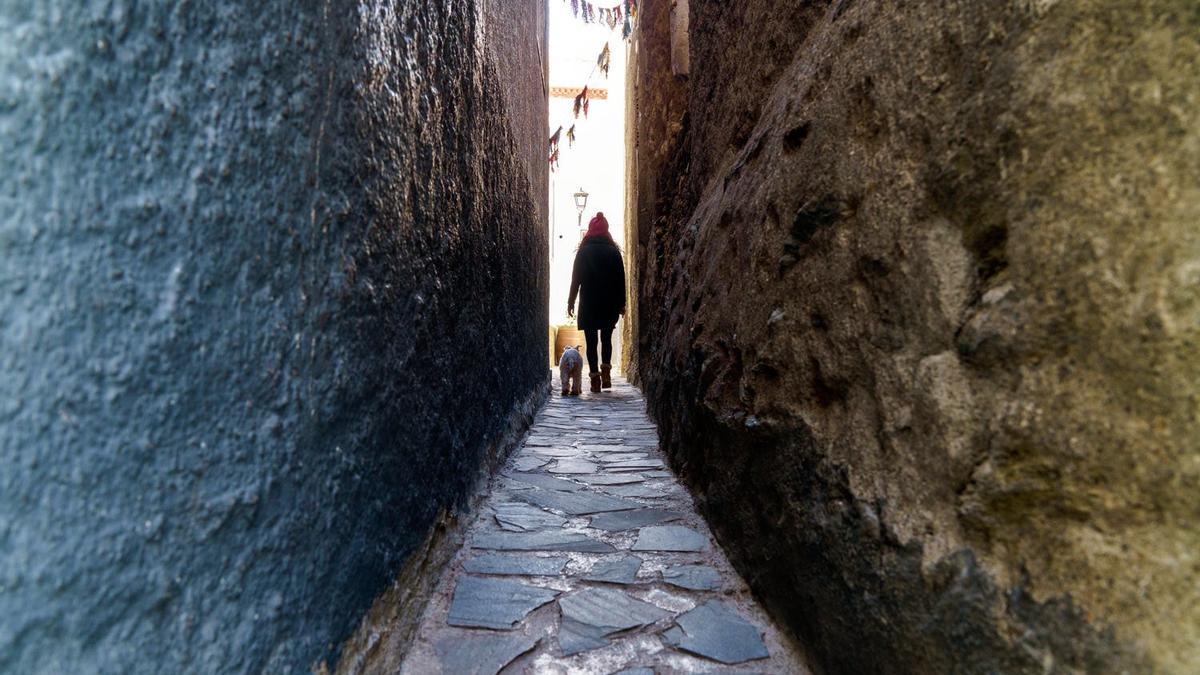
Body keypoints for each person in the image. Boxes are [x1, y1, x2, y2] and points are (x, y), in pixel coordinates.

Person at [568, 212, 626, 393]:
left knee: (591, 341)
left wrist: (570, 302)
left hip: (589, 303)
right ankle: (606, 373)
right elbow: (620, 280)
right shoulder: (614, 252)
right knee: (606, 338)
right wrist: (621, 303)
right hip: (609, 303)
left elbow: (575, 280)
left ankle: (594, 380)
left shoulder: (583, 252)